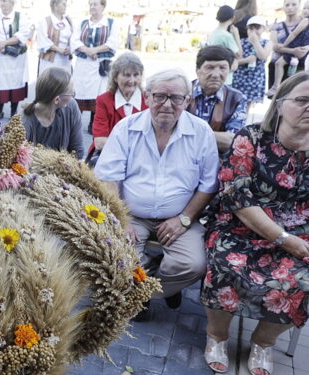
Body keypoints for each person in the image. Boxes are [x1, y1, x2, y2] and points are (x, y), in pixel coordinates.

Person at [200, 71, 309, 375]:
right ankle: (217, 335)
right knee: (224, 262)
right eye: (302, 100)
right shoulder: (251, 137)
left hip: (300, 231)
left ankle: (263, 341)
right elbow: (237, 198)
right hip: (241, 225)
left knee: (304, 279)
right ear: (280, 103)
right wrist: (284, 239)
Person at [94, 69, 220, 321]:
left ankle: (148, 291)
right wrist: (122, 218)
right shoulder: (126, 128)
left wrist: (184, 219)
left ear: (187, 101)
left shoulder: (201, 132)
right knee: (114, 258)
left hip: (179, 217)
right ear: (147, 97)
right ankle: (154, 287)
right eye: (160, 96)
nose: (167, 104)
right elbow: (108, 176)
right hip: (132, 215)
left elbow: (208, 185)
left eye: (175, 98)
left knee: (193, 264)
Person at [87, 52, 147, 163]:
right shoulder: (103, 100)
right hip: (107, 157)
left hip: (140, 160)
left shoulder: (148, 101)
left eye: (136, 75)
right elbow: (100, 142)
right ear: (115, 77)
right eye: (126, 75)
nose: (132, 80)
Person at [70, 0, 120, 132]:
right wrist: (87, 50)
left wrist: (95, 50)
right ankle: (75, 122)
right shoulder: (83, 23)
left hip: (100, 65)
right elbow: (74, 41)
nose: (92, 7)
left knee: (99, 93)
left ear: (103, 6)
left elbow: (113, 42)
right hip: (83, 65)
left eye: (96, 4)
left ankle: (94, 123)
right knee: (80, 91)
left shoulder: (110, 23)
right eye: (91, 4)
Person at [189, 46, 248, 153]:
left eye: (222, 68)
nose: (216, 75)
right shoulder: (182, 93)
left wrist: (187, 133)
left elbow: (232, 140)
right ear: (197, 70)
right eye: (209, 67)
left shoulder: (237, 98)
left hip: (217, 162)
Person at [0, 0, 32, 119]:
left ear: (12, 3)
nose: (2, 4)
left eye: (5, 1)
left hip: (15, 58)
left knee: (15, 82)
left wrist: (4, 43)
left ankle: (13, 111)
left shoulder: (20, 17)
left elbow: (23, 34)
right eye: (1, 1)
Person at [22, 67, 84, 158]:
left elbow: (77, 151)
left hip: (64, 169)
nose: (72, 97)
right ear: (57, 99)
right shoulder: (24, 121)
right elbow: (17, 160)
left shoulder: (71, 107)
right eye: (71, 94)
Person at [232, 16, 272, 110]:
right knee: (235, 104)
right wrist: (246, 60)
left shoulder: (267, 43)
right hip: (239, 77)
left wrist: (255, 43)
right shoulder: (241, 42)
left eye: (257, 28)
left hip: (255, 78)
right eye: (251, 28)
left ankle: (244, 123)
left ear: (263, 29)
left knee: (247, 106)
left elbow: (263, 56)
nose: (254, 31)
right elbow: (233, 61)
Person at [270, 1, 309, 97]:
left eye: (294, 4)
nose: (290, 7)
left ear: (298, 5)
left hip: (298, 65)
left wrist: (305, 49)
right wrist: (293, 50)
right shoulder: (277, 26)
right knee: (276, 100)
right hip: (278, 63)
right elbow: (274, 46)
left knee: (293, 97)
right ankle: (276, 86)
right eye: (287, 5)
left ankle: (276, 86)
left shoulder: (304, 22)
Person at [207, 5, 241, 85]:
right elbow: (239, 54)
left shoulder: (213, 33)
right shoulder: (227, 36)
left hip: (214, 73)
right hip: (226, 78)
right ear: (233, 18)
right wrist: (237, 36)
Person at [36, 0, 73, 75]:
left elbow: (74, 37)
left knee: (64, 82)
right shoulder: (46, 21)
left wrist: (70, 47)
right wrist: (59, 50)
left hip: (65, 60)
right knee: (50, 83)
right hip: (50, 61)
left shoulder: (68, 21)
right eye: (63, 4)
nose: (65, 6)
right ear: (56, 6)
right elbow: (43, 41)